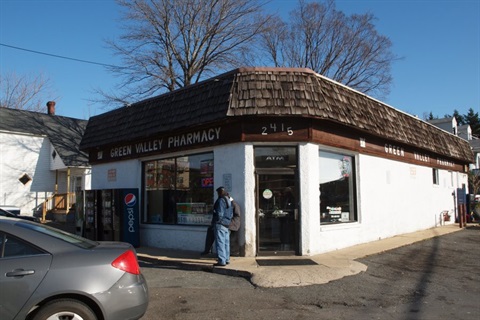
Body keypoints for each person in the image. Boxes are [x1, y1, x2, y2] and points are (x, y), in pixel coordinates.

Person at [212, 186, 233, 266]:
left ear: (220, 192)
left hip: (220, 224)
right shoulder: (229, 199)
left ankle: (221, 261)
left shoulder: (221, 200)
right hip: (227, 224)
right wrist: (228, 221)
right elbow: (231, 213)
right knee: (226, 243)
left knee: (220, 242)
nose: (217, 194)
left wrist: (218, 221)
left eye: (218, 192)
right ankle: (227, 259)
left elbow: (220, 213)